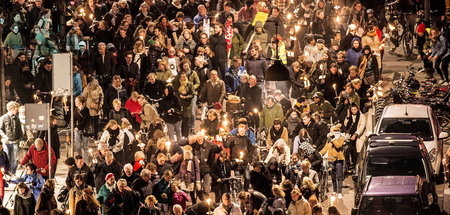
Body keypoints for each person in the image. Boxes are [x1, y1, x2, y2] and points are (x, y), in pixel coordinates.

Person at [320, 124, 345, 199]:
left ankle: (339, 192)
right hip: (331, 159)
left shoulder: (341, 137)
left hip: (338, 159)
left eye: (331, 131)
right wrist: (319, 153)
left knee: (339, 176)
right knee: (333, 176)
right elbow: (326, 147)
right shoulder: (329, 139)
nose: (330, 132)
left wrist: (333, 139)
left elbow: (338, 146)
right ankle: (334, 191)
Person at [0, 101, 22, 174]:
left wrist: (20, 139)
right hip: (6, 142)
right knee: (7, 158)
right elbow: (0, 129)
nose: (17, 111)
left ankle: (13, 173)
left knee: (15, 159)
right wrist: (4, 136)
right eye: (16, 109)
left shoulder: (17, 118)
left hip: (15, 141)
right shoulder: (3, 118)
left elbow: (19, 129)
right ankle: (7, 173)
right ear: (11, 109)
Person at [343, 103, 366, 171]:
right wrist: (347, 116)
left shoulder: (362, 116)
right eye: (352, 109)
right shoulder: (350, 116)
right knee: (347, 151)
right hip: (350, 137)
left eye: (355, 109)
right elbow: (345, 124)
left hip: (358, 137)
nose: (353, 111)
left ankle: (356, 166)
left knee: (356, 153)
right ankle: (349, 165)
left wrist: (355, 134)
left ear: (357, 109)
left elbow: (362, 126)